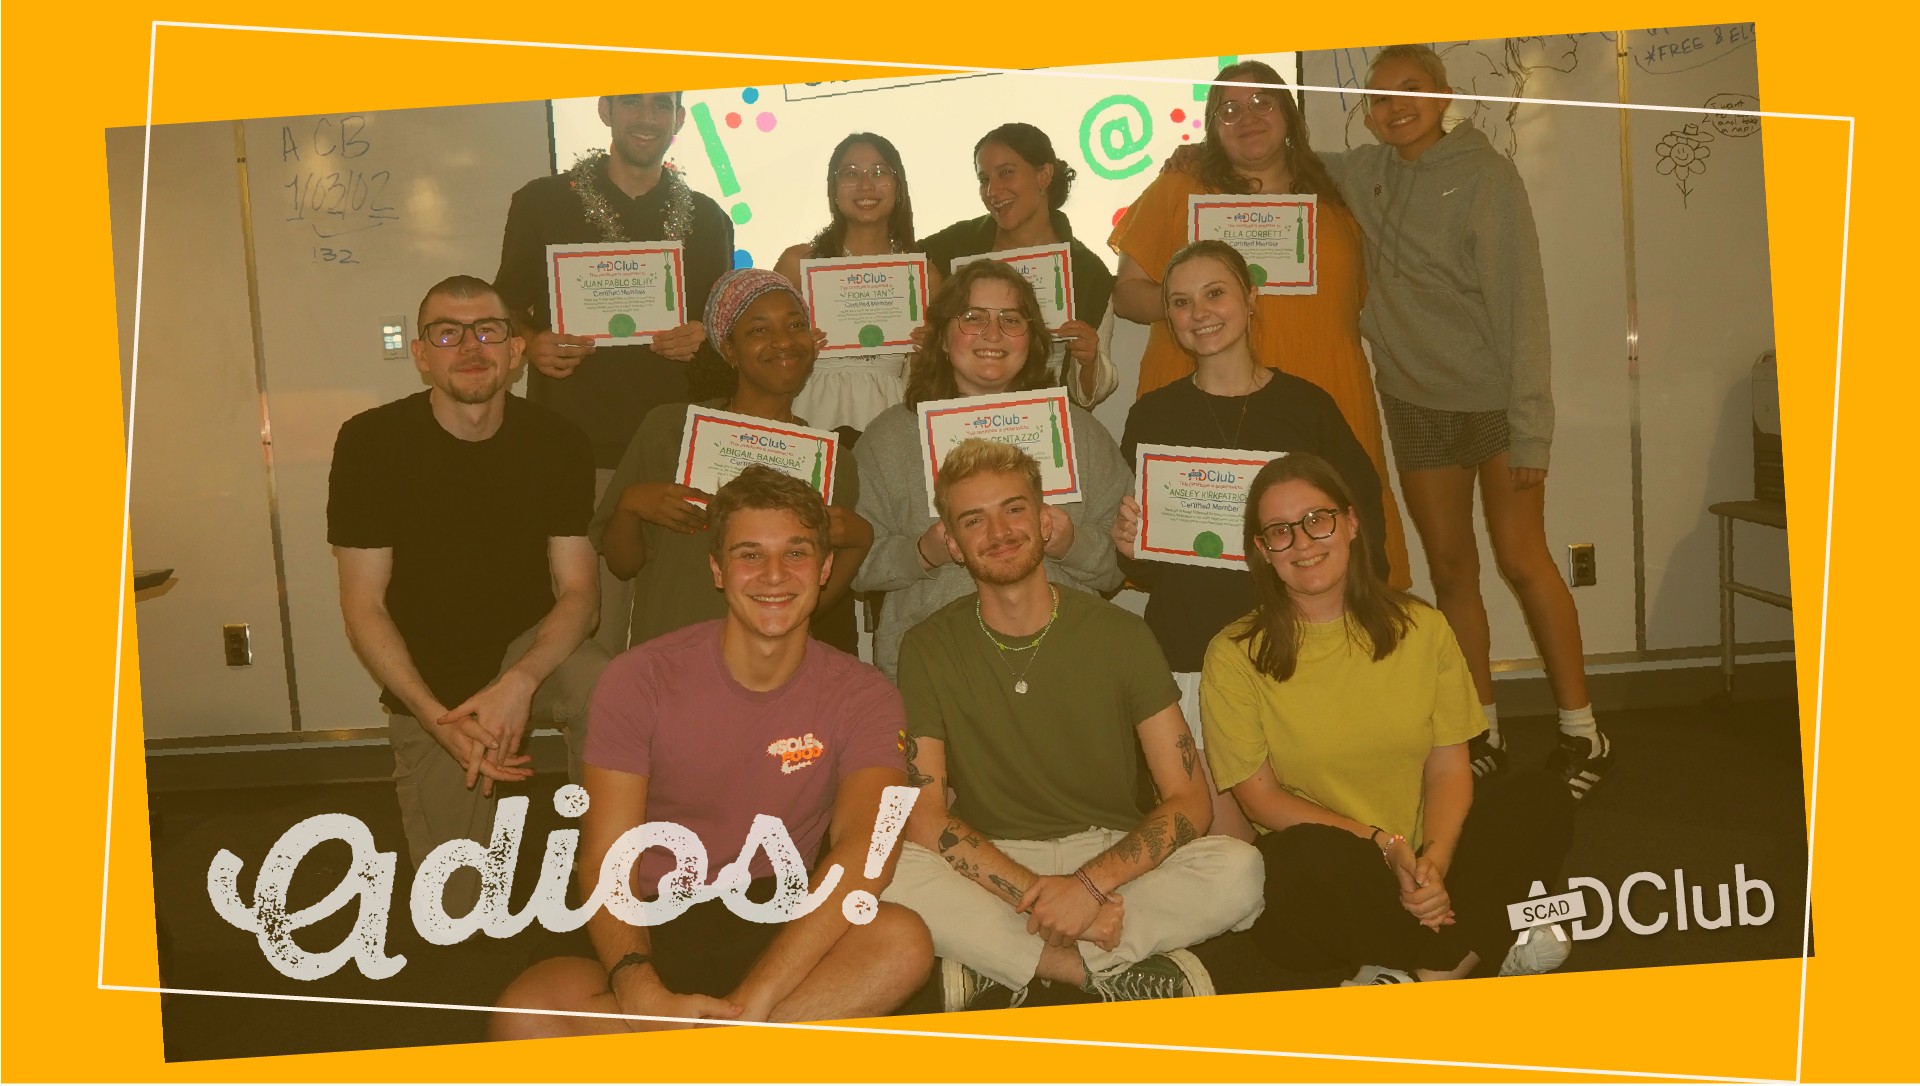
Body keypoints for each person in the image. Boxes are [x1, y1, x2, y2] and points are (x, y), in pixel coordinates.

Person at [492, 466, 932, 1036]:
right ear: (718, 569)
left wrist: (759, 995)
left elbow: (866, 850)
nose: (774, 575)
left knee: (901, 942)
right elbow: (606, 857)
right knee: (527, 1015)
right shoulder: (639, 679)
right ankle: (745, 1055)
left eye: (796, 553)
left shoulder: (866, 694)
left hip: (775, 909)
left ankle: (713, 1051)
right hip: (648, 908)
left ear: (825, 568)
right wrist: (636, 983)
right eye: (750, 555)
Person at [883, 439, 1263, 1010]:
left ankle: (1001, 964)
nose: (999, 531)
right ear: (954, 545)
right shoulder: (926, 646)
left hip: (1110, 857)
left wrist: (1087, 889)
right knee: (887, 870)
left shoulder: (1121, 634)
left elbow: (1189, 800)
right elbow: (928, 814)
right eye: (973, 519)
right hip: (995, 861)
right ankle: (1093, 969)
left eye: (1014, 509)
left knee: (1240, 869)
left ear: (1044, 521)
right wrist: (1048, 898)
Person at [1327, 45, 1611, 795]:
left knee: (1523, 559)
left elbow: (1524, 308)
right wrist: (1199, 154)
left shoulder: (1486, 176)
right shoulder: (1363, 173)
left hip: (1495, 401)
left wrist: (1531, 426)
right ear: (1367, 113)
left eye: (1411, 90)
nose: (1395, 107)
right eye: (1379, 97)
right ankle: (1480, 727)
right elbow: (1285, 160)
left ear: (1444, 94)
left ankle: (1583, 729)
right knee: (1452, 571)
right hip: (1415, 402)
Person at [1200, 452, 1575, 984]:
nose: (1302, 542)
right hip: (1333, 880)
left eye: (1317, 519)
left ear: (1351, 523)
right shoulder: (1233, 653)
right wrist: (1384, 846)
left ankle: (1420, 972)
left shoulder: (1423, 627)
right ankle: (1479, 946)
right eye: (1280, 532)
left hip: (1426, 861)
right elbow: (1262, 801)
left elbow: (1449, 767)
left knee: (1542, 797)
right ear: (1262, 551)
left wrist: (1432, 865)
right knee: (1305, 856)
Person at [328, 274, 610, 914]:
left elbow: (580, 595)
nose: (470, 347)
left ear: (515, 349)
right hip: (433, 679)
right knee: (455, 909)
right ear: (421, 354)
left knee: (609, 683)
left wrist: (519, 684)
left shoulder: (559, 440)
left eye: (488, 330)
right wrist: (436, 718)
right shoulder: (370, 442)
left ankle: (607, 862)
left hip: (525, 651)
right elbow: (363, 606)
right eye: (447, 334)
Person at [1110, 241, 1389, 839]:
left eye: (1215, 293)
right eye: (1180, 302)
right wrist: (1132, 547)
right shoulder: (1152, 417)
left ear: (1251, 298)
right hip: (1192, 652)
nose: (1199, 313)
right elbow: (1153, 570)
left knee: (1315, 833)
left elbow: (1365, 529)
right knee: (1228, 855)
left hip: (1299, 650)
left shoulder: (1307, 408)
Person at [1110, 61, 1410, 587]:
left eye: (1261, 102)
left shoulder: (1341, 190)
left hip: (1324, 397)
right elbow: (1126, 294)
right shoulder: (1180, 187)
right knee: (1212, 578)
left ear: (1289, 113)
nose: (1246, 117)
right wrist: (1195, 307)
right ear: (1212, 126)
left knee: (1336, 563)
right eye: (1228, 109)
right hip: (1208, 404)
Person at [494, 91, 735, 654]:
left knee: (682, 634)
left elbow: (727, 323)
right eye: (631, 103)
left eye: (661, 106)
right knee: (588, 631)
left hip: (681, 455)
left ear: (679, 118)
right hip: (579, 450)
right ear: (605, 110)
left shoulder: (708, 218)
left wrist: (705, 335)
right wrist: (529, 341)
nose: (647, 118)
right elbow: (503, 301)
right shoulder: (543, 202)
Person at [851, 260, 1126, 680]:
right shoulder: (889, 438)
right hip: (937, 673)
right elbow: (852, 563)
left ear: (1031, 339)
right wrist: (922, 553)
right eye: (973, 317)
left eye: (1011, 319)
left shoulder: (1078, 432)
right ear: (942, 337)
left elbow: (1122, 562)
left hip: (1066, 667)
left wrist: (1073, 545)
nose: (992, 333)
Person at [590, 268, 870, 653]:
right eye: (759, 330)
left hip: (770, 667)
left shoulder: (834, 462)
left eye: (796, 325)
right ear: (730, 351)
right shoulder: (669, 429)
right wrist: (629, 505)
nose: (783, 341)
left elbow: (810, 605)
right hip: (670, 662)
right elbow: (622, 565)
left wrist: (861, 542)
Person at [920, 122, 1118, 407]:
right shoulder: (949, 249)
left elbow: (1088, 395)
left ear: (1044, 175)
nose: (992, 190)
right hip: (958, 413)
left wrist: (1089, 360)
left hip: (1039, 420)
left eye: (1006, 173)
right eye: (984, 179)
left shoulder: (1088, 273)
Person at [774, 132, 940, 442]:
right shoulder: (798, 263)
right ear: (833, 189)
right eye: (851, 173)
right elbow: (761, 355)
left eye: (879, 172)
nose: (866, 185)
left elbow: (924, 377)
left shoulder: (922, 275)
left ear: (898, 186)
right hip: (808, 411)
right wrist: (796, 347)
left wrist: (928, 349)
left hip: (889, 416)